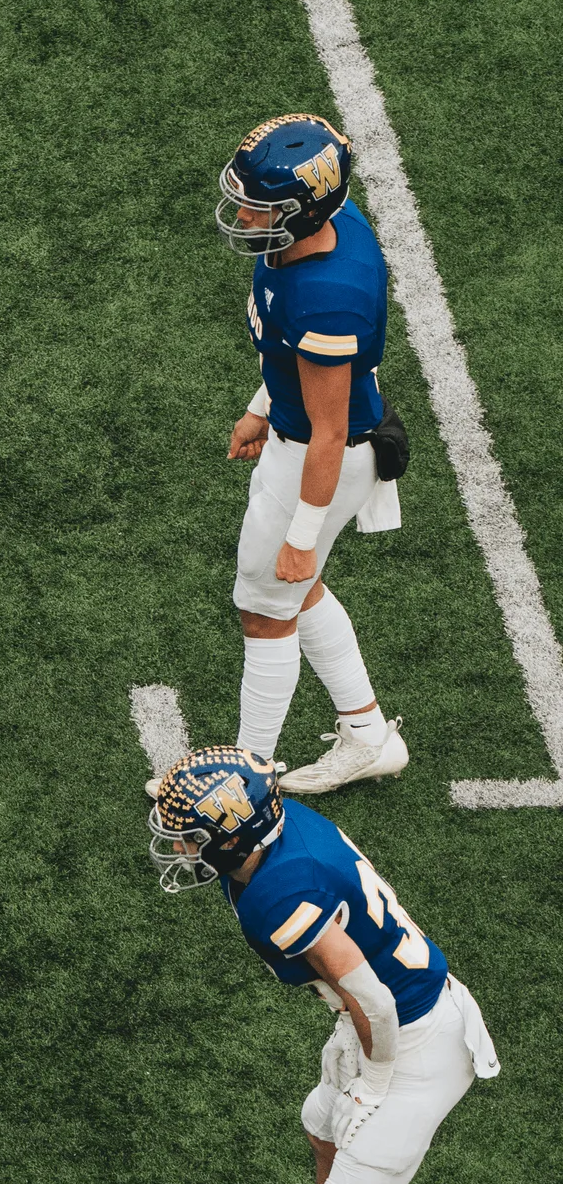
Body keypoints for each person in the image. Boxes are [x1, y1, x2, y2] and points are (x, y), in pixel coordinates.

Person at [148, 747, 494, 1184]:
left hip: (412, 1037)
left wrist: (373, 1078)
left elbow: (370, 993)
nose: (178, 844)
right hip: (383, 1017)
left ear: (233, 835)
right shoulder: (279, 836)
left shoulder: (279, 887)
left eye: (189, 833)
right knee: (319, 1126)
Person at [214, 114, 409, 793]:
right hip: (305, 436)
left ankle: (246, 779)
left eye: (260, 205)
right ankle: (366, 734)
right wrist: (261, 407)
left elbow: (328, 430)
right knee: (293, 591)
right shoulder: (320, 231)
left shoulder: (329, 293)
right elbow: (288, 358)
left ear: (304, 211)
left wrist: (300, 533)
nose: (242, 213)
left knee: (267, 608)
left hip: (322, 457)